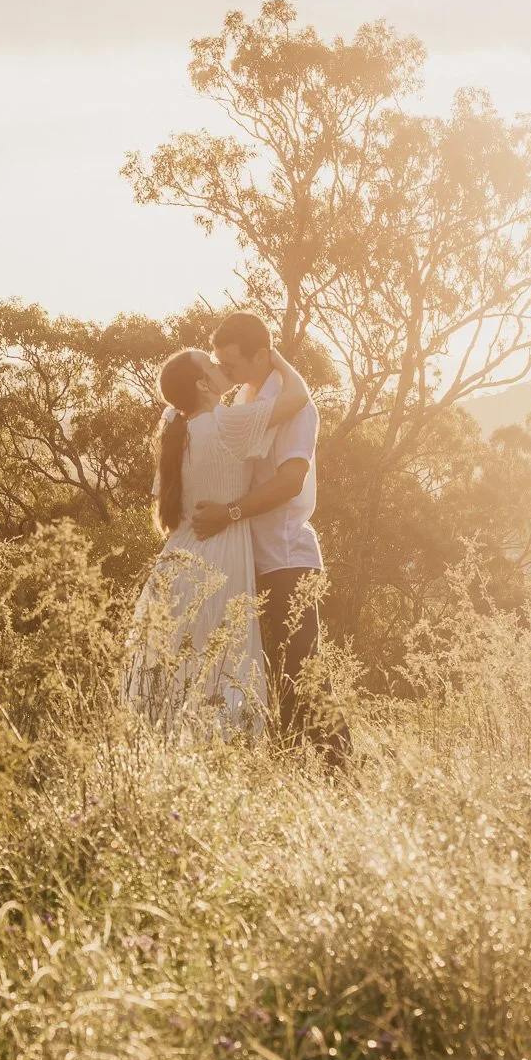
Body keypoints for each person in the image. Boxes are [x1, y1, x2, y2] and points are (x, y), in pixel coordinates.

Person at [123, 345, 311, 734]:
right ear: (202, 384)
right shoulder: (226, 423)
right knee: (226, 666)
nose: (218, 363)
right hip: (219, 556)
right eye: (210, 364)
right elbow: (297, 397)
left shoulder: (179, 432)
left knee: (181, 673)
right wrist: (270, 353)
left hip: (176, 562)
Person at [192, 311, 351, 763]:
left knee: (305, 677)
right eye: (218, 364)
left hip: (287, 558)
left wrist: (230, 512)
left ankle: (342, 774)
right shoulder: (244, 396)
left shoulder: (297, 406)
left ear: (262, 355)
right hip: (246, 561)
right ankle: (289, 778)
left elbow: (290, 482)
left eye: (232, 363)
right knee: (267, 681)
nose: (225, 372)